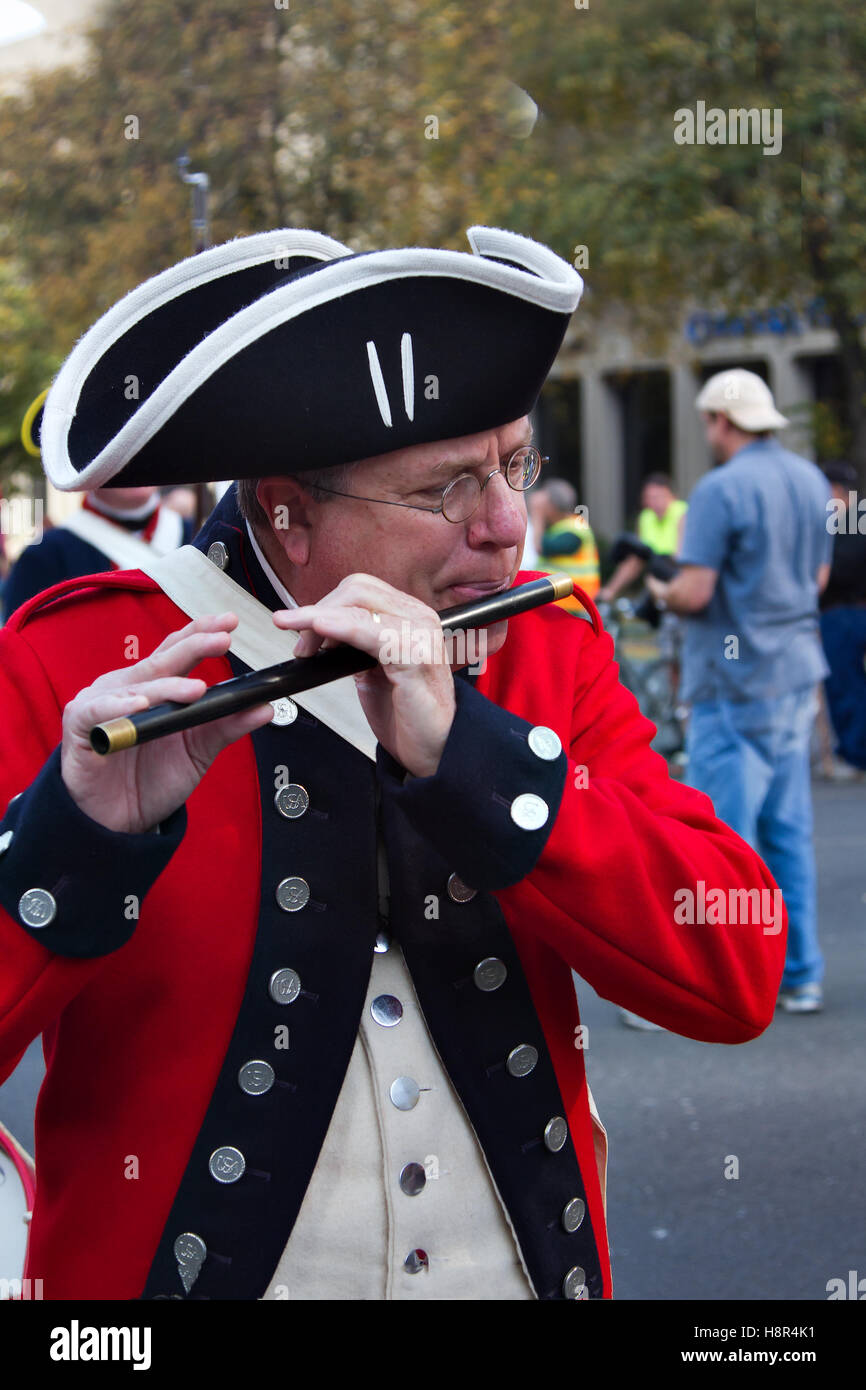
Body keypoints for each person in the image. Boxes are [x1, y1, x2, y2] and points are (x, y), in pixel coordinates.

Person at [0, 229, 786, 1301]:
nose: (509, 526)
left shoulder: (548, 650)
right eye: (444, 490)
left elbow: (734, 966)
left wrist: (478, 764)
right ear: (289, 507)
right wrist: (74, 842)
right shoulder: (72, 663)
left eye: (515, 464)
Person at [646, 368, 831, 1015]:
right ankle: (800, 973)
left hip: (733, 679)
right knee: (789, 831)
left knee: (723, 843)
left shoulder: (722, 490)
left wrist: (660, 590)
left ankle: (723, 982)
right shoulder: (809, 480)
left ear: (721, 421)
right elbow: (819, 574)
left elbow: (694, 592)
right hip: (796, 672)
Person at [818, 461, 866, 774]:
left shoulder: (845, 523)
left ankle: (854, 754)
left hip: (842, 613)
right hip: (848, 611)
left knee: (845, 686)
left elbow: (836, 571)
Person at [598, 474, 687, 603]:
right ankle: (608, 594)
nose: (652, 502)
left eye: (657, 497)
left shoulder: (682, 512)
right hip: (654, 571)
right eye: (648, 497)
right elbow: (635, 559)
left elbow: (682, 555)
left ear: (672, 496)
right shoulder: (645, 517)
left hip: (677, 569)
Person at [528, 476, 600, 612]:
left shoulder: (575, 529)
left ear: (552, 506)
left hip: (571, 604)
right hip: (563, 601)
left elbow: (541, 547)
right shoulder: (561, 527)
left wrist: (537, 515)